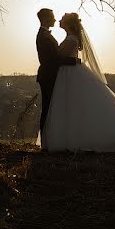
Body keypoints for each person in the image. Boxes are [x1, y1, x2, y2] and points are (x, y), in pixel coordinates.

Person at [40, 12, 115, 152]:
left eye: (62, 19)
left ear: (68, 24)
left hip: (69, 74)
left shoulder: (70, 39)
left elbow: (58, 57)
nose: (59, 20)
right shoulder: (71, 38)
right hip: (68, 73)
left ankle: (73, 138)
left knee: (73, 106)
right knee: (72, 106)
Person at [35, 8, 78, 141]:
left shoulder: (45, 34)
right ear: (46, 18)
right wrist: (74, 61)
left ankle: (51, 139)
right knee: (48, 108)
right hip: (48, 76)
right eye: (52, 17)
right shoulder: (43, 36)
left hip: (52, 75)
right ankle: (46, 141)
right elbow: (52, 59)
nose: (54, 19)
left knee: (51, 108)